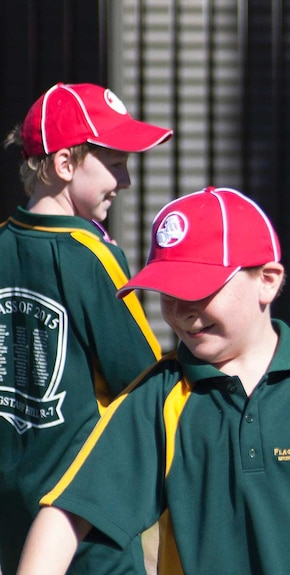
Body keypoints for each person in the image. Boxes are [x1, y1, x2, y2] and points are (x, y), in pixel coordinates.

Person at [16, 186, 290, 575]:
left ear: (267, 281)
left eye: (200, 290)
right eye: (169, 294)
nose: (182, 311)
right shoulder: (159, 396)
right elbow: (66, 514)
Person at [0, 82, 172, 575]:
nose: (127, 180)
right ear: (64, 165)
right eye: (116, 164)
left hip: (14, 510)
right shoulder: (93, 254)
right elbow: (140, 380)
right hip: (87, 506)